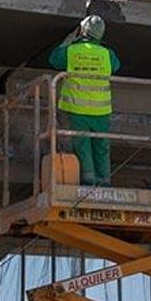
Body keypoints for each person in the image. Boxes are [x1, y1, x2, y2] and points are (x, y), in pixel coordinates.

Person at [49, 15, 121, 186]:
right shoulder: (107, 54)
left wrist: (67, 41)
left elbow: (54, 60)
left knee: (82, 146)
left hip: (77, 109)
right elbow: (116, 66)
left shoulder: (72, 50)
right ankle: (104, 182)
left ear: (82, 31)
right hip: (101, 111)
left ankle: (88, 180)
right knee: (101, 147)